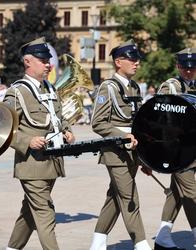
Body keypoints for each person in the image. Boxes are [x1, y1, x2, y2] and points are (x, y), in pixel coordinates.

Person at [3, 37, 75, 250]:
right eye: (43, 60)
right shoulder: (17, 92)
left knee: (29, 212)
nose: (48, 65)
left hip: (52, 162)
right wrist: (27, 140)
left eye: (48, 60)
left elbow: (58, 118)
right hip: (31, 165)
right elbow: (2, 128)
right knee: (45, 212)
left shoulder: (50, 89)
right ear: (28, 62)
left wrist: (67, 131)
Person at [90, 40, 152, 250]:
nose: (137, 64)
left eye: (137, 60)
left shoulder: (134, 87)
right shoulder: (108, 87)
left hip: (133, 152)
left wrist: (145, 157)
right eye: (132, 59)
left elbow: (138, 123)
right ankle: (141, 243)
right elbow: (97, 122)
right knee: (129, 196)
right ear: (118, 62)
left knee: (115, 196)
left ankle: (98, 241)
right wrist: (122, 136)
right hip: (115, 153)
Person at [153, 48, 196, 250]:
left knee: (176, 194)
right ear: (178, 67)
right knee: (191, 193)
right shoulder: (170, 86)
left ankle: (162, 236)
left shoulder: (194, 86)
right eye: (185, 68)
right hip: (176, 151)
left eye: (193, 68)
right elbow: (158, 117)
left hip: (191, 149)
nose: (189, 71)